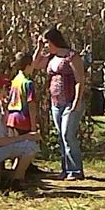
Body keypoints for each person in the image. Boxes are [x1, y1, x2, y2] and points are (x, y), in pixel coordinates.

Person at [32, 26, 86, 181]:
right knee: (61, 137)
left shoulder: (71, 57)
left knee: (68, 134)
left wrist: (77, 101)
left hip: (70, 101)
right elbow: (35, 64)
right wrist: (39, 46)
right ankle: (65, 168)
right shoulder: (50, 58)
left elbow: (79, 80)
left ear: (54, 41)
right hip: (56, 102)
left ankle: (75, 170)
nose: (46, 46)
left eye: (47, 43)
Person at [6, 52, 45, 175]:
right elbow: (31, 105)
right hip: (23, 118)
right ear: (28, 66)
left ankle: (15, 172)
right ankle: (18, 175)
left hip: (12, 118)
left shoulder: (15, 80)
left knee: (17, 148)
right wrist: (33, 126)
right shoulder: (28, 83)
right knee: (27, 147)